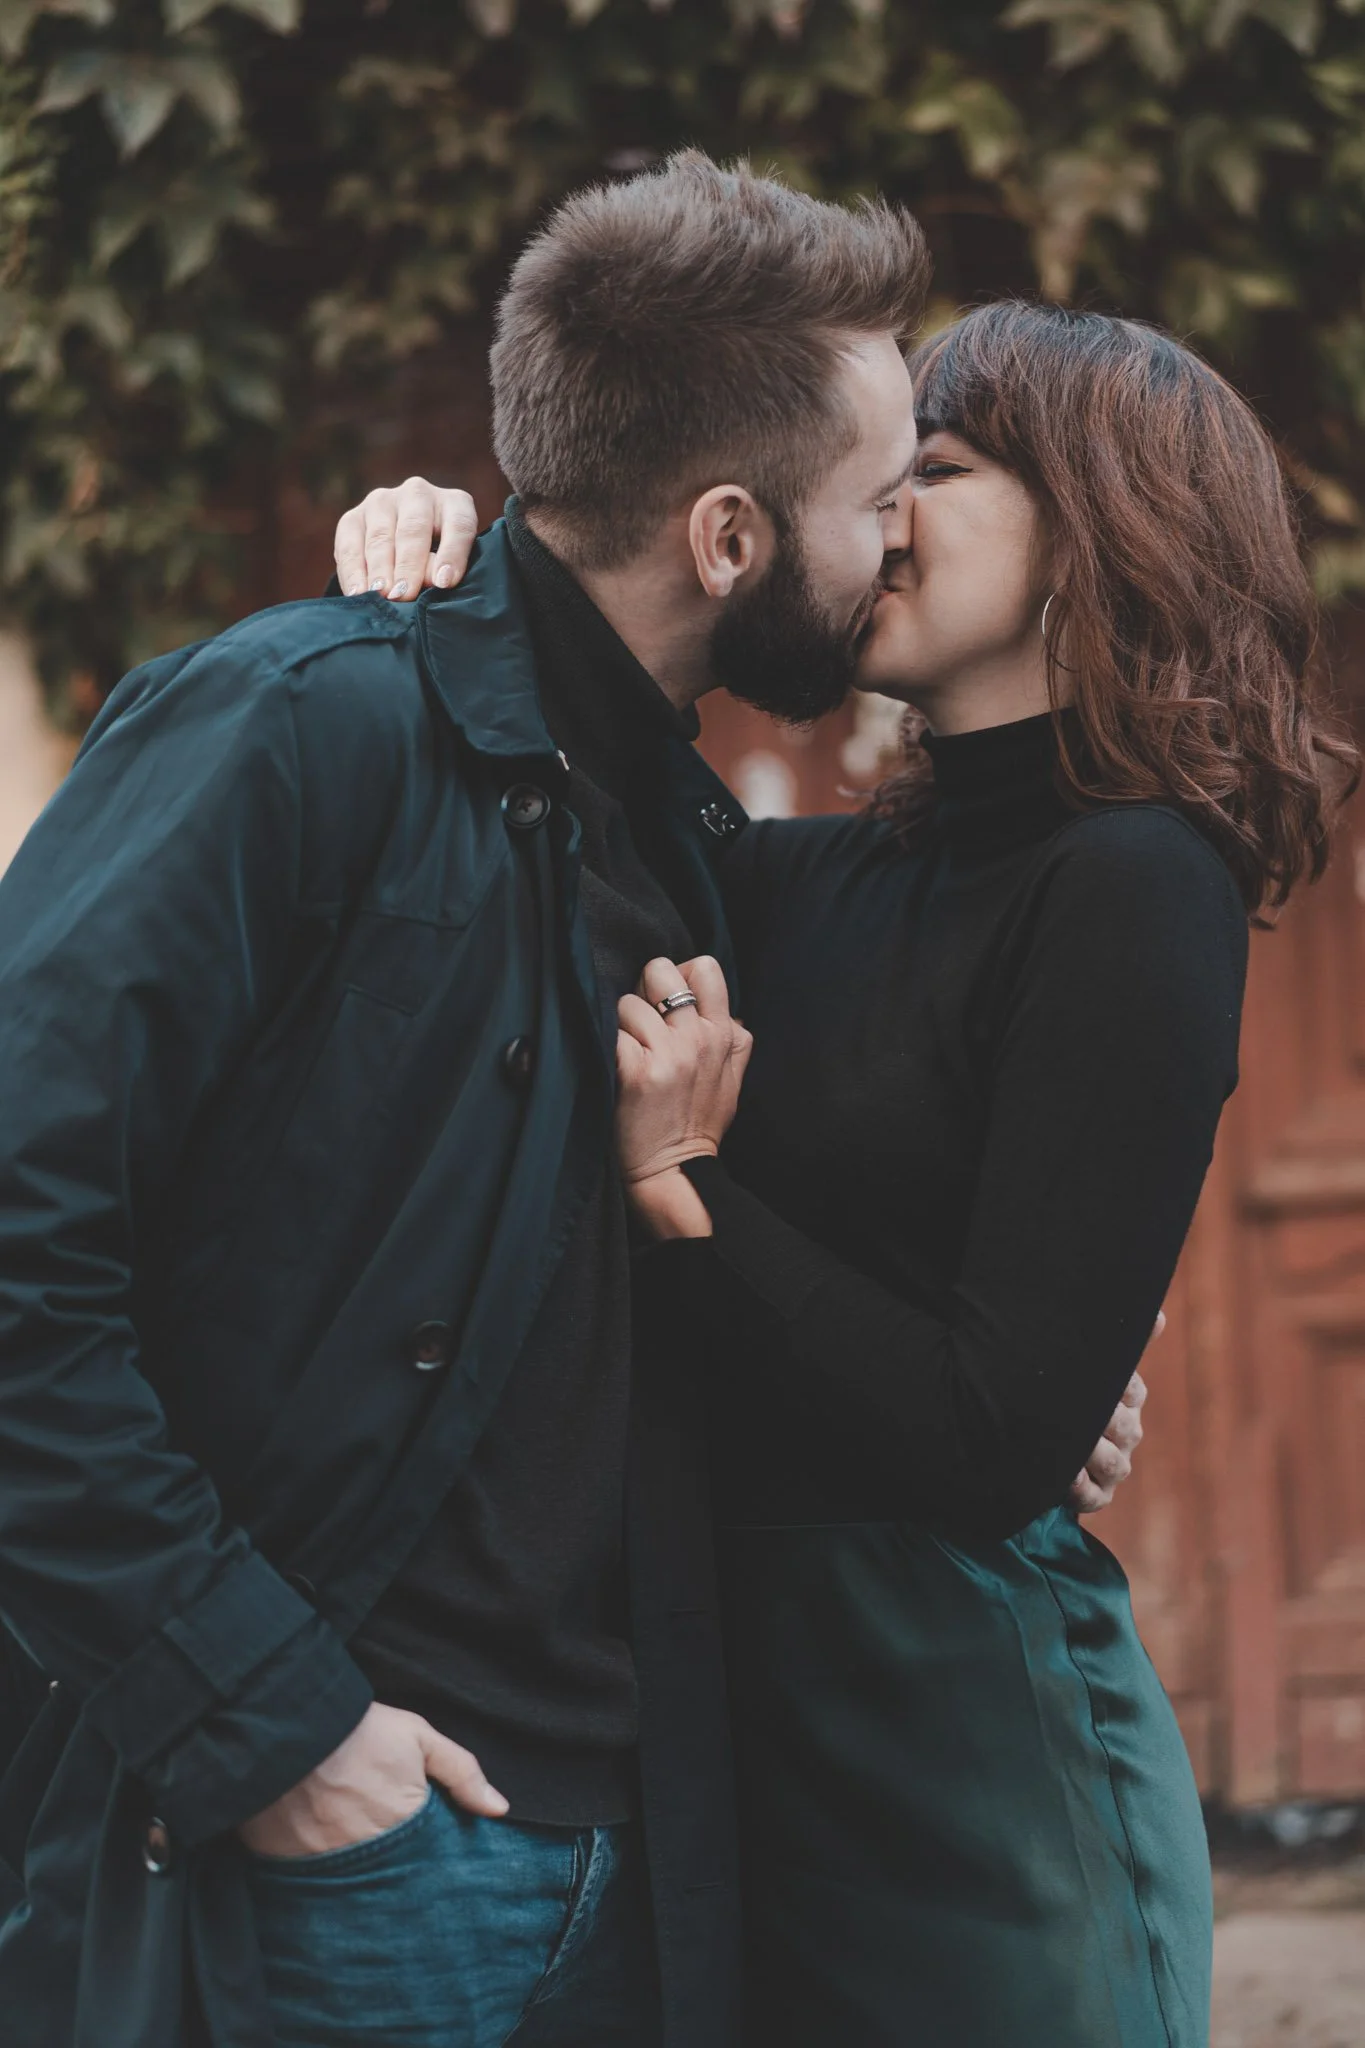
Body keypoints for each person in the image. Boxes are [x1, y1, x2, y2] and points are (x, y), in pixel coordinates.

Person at [0, 153, 941, 2048]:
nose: (905, 539)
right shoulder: (298, 725)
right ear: (729, 538)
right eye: (882, 499)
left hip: (644, 1849)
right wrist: (273, 1726)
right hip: (340, 1858)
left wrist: (1014, 1383)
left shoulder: (680, 836)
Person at [346, 301, 1356, 2046]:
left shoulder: (1135, 883)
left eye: (930, 472)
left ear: (1100, 522)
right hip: (731, 1741)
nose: (875, 515)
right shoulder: (789, 878)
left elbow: (990, 1439)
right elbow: (567, 768)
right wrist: (450, 554)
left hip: (971, 1767)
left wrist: (689, 1197)